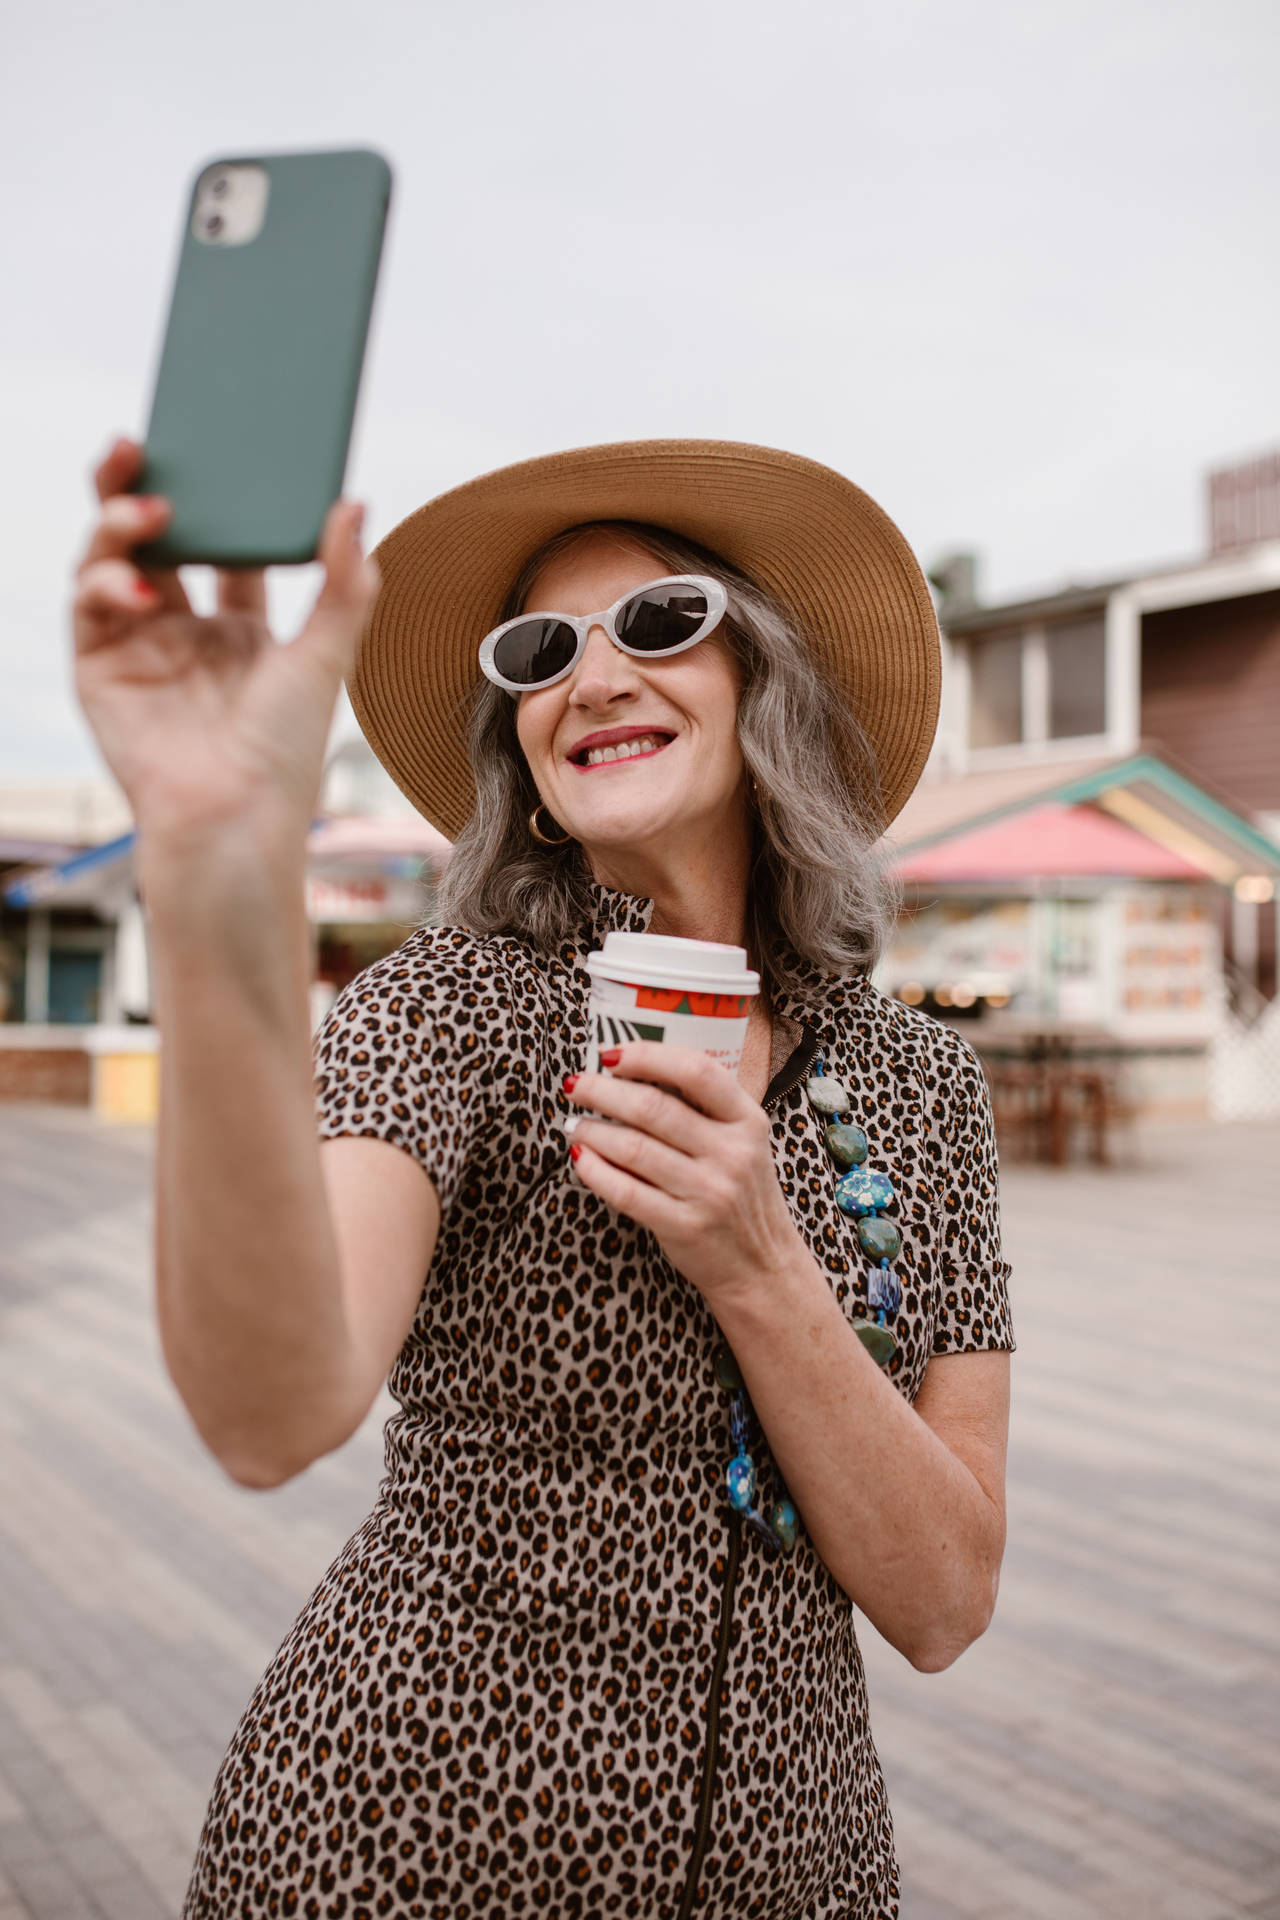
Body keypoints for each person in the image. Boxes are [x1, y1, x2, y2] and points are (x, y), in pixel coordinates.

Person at [73, 436, 1013, 1920]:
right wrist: (209, 876)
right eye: (538, 651)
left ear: (766, 681)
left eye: (659, 623)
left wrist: (758, 1263)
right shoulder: (449, 1010)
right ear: (517, 734)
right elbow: (271, 1414)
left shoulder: (915, 1086)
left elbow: (946, 1604)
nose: (589, 677)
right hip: (403, 1843)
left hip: (794, 1866)